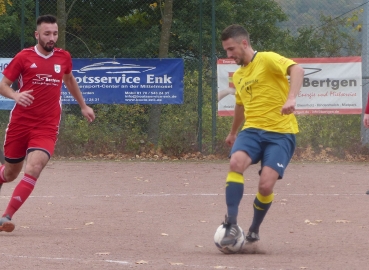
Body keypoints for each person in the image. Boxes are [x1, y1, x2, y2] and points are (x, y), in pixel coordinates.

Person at [0, 14, 95, 232]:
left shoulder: (63, 57)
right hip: (20, 124)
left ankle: (6, 216)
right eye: (47, 34)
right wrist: (15, 95)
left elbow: (69, 79)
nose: (52, 37)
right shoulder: (23, 57)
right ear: (37, 35)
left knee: (34, 167)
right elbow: (3, 85)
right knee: (10, 173)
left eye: (55, 33)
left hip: (46, 125)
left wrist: (83, 105)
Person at [219, 24, 304, 246]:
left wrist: (291, 97)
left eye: (231, 49)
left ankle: (254, 229)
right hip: (252, 130)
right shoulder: (238, 75)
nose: (228, 55)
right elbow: (240, 105)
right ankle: (232, 224)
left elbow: (297, 69)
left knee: (266, 185)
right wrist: (233, 131)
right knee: (236, 162)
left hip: (281, 133)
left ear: (244, 43)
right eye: (226, 51)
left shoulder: (266, 59)